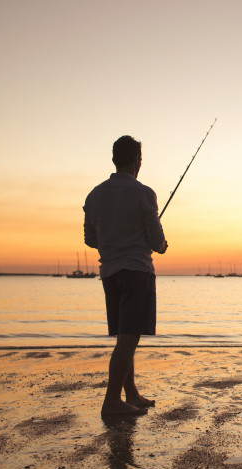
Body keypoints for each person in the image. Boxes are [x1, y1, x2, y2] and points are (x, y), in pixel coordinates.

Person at [84, 135, 168, 416]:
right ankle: (111, 402)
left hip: (109, 274)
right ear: (136, 161)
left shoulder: (94, 195)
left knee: (124, 336)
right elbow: (157, 242)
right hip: (137, 272)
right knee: (129, 339)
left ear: (113, 160)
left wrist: (113, 240)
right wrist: (161, 245)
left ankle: (130, 393)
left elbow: (90, 239)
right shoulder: (144, 193)